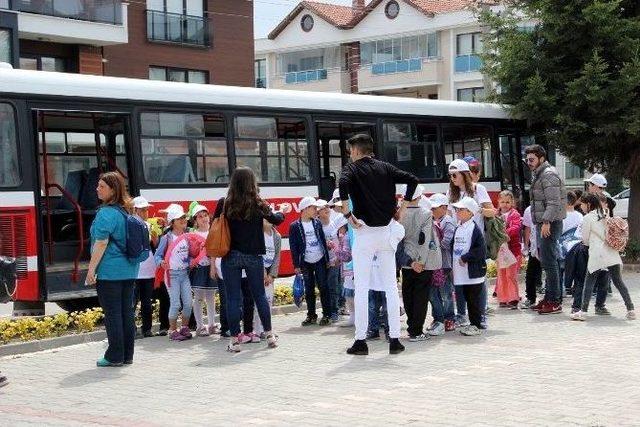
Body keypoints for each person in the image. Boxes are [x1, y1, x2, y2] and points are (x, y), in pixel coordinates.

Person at [339, 133, 418, 356]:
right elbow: (412, 179)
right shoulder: (385, 167)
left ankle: (360, 341)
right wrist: (402, 209)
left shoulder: (351, 170)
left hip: (364, 233)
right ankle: (394, 339)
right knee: (391, 287)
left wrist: (347, 215)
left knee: (362, 287)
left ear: (355, 150)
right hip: (386, 233)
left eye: (350, 151)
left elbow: (343, 184)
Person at [214, 167, 285, 352]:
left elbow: (216, 224)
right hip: (254, 256)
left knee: (232, 298)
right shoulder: (258, 203)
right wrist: (282, 212)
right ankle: (269, 335)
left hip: (231, 256)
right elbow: (276, 219)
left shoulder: (225, 203)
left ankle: (235, 341)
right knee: (259, 295)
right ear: (252, 182)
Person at [87, 172, 141, 367]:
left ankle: (114, 356)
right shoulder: (127, 210)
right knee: (126, 312)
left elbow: (100, 243)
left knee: (113, 314)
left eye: (102, 186)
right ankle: (127, 355)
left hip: (110, 272)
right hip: (130, 270)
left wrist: (91, 269)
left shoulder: (106, 213)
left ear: (112, 190)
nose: (97, 189)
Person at [570, 193, 635, 321]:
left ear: (588, 204)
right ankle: (631, 309)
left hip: (597, 254)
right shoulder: (606, 213)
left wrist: (589, 243)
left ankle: (583, 312)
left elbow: (585, 239)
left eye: (582, 204)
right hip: (611, 252)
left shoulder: (588, 217)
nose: (581, 206)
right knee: (618, 282)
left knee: (589, 282)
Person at [447, 158, 495, 324]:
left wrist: (476, 209)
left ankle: (480, 315)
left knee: (476, 279)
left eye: (455, 175)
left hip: (474, 238)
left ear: (464, 174)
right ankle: (461, 313)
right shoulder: (450, 192)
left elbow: (492, 211)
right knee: (459, 280)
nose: (452, 178)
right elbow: (448, 214)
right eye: (451, 175)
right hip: (457, 238)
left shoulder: (477, 189)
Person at [525, 145, 566, 315]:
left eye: (532, 159)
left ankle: (554, 301)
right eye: (527, 160)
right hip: (545, 222)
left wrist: (547, 221)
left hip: (549, 223)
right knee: (548, 262)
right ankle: (549, 298)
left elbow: (554, 202)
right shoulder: (541, 174)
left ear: (541, 158)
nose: (529, 163)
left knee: (550, 263)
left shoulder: (548, 174)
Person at [399, 184, 441, 341]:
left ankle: (411, 327)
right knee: (420, 297)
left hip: (406, 262)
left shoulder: (399, 215)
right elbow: (425, 240)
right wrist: (420, 262)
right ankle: (416, 331)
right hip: (422, 263)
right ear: (418, 197)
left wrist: (409, 262)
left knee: (408, 294)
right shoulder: (425, 214)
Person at [289, 196, 332, 326]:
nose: (316, 210)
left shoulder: (317, 223)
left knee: (323, 287)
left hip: (319, 259)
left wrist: (327, 259)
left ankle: (327, 315)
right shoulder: (295, 226)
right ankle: (311, 315)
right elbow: (293, 247)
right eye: (314, 208)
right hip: (305, 262)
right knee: (309, 289)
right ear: (306, 209)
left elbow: (323, 242)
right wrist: (296, 265)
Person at [155, 205, 194, 341]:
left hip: (184, 274)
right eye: (180, 218)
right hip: (171, 275)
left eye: (184, 217)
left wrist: (192, 259)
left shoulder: (187, 236)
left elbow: (190, 254)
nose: (184, 220)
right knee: (176, 304)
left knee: (189, 303)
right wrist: (161, 263)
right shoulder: (167, 238)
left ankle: (184, 327)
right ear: (172, 222)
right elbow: (157, 256)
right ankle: (172, 330)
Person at [452, 197, 488, 336]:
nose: (457, 212)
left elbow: (480, 250)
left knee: (474, 299)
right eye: (457, 209)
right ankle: (472, 323)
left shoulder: (474, 229)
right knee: (467, 297)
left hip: (472, 272)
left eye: (461, 209)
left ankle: (476, 325)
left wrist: (466, 257)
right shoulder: (459, 227)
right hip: (462, 272)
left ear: (470, 212)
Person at [189, 204, 220, 337]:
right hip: (199, 268)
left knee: (211, 297)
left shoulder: (214, 231)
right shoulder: (192, 234)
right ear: (195, 220)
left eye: (205, 215)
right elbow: (189, 252)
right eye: (200, 217)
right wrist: (191, 260)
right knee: (199, 298)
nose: (203, 219)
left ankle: (212, 324)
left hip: (212, 267)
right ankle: (200, 326)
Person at [317, 199, 349, 322]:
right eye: (322, 208)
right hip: (321, 261)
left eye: (327, 207)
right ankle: (327, 312)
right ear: (318, 213)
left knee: (333, 286)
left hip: (334, 260)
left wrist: (337, 258)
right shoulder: (316, 226)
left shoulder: (334, 224)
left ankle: (334, 311)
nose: (326, 209)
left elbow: (340, 243)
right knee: (323, 287)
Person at [430, 193, 457, 332]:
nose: (432, 210)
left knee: (446, 293)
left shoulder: (448, 222)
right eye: (432, 208)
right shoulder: (432, 220)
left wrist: (433, 243)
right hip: (434, 265)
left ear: (444, 207)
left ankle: (449, 318)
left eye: (435, 207)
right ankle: (438, 318)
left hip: (445, 264)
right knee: (433, 294)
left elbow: (447, 242)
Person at [132, 196, 156, 338]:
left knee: (147, 303)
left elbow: (154, 246)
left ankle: (147, 329)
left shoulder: (149, 225)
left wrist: (155, 238)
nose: (146, 212)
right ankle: (132, 329)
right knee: (132, 303)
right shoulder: (130, 225)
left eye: (146, 209)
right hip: (135, 271)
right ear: (135, 210)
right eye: (143, 209)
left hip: (148, 270)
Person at [254, 219, 282, 337]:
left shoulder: (277, 236)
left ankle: (267, 328)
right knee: (257, 302)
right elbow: (256, 253)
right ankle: (257, 329)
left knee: (268, 301)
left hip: (270, 274)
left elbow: (277, 256)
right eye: (265, 219)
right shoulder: (257, 234)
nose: (268, 221)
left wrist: (272, 274)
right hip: (258, 272)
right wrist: (263, 272)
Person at [495, 190, 522, 309]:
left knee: (511, 275)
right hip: (500, 250)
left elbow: (516, 228)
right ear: (498, 202)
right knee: (501, 275)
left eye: (507, 202)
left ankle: (513, 298)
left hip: (513, 249)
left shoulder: (515, 214)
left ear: (512, 202)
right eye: (502, 202)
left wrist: (502, 233)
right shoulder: (495, 215)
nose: (505, 204)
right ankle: (503, 298)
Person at [522, 205, 542, 309]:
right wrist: (526, 245)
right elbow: (527, 229)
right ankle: (530, 298)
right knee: (531, 273)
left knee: (552, 273)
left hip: (547, 245)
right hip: (534, 247)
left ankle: (552, 298)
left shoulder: (550, 207)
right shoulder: (529, 209)